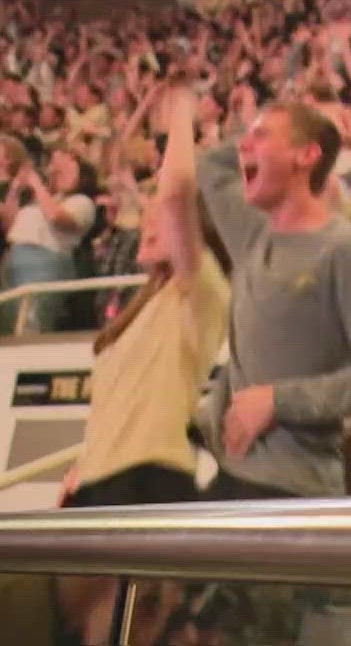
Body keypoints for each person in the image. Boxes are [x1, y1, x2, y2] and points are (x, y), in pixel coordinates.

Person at [193, 96, 351, 499]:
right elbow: (212, 165)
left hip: (294, 489)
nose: (244, 145)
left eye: (261, 137)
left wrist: (279, 401)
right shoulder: (252, 233)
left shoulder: (342, 250)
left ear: (307, 155)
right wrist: (267, 129)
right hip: (235, 476)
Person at [64, 82, 230, 507]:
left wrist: (178, 117)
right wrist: (86, 466)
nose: (147, 225)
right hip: (98, 478)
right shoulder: (143, 306)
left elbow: (175, 192)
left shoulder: (202, 286)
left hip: (150, 477)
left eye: (158, 219)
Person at [0, 148, 99, 334]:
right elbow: (9, 225)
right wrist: (16, 187)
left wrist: (37, 184)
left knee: (31, 322)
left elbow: (56, 218)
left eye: (70, 170)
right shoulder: (41, 201)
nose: (60, 174)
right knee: (8, 320)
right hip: (13, 258)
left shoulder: (83, 202)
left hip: (44, 261)